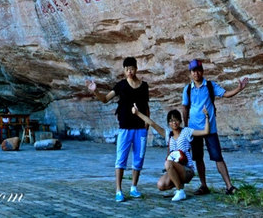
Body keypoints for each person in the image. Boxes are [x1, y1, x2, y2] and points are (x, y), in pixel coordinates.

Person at [181, 58, 248, 195]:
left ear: (202, 71)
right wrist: (186, 127)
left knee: (218, 157)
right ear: (190, 73)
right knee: (198, 158)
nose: (196, 73)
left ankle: (229, 186)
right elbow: (185, 108)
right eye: (194, 71)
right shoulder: (187, 89)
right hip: (194, 130)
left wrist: (239, 88)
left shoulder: (210, 86)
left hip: (210, 128)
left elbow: (225, 94)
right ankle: (203, 185)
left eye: (199, 70)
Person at [87, 57, 150, 201]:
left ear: (136, 68)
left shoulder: (144, 86)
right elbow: (105, 99)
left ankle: (134, 187)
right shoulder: (121, 85)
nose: (129, 71)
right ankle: (118, 190)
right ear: (124, 70)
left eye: (132, 68)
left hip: (140, 128)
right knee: (121, 159)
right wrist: (95, 91)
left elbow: (146, 106)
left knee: (139, 159)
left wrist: (147, 125)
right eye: (126, 69)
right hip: (125, 128)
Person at [131, 104, 209, 202]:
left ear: (180, 121)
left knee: (168, 163)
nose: (174, 123)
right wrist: (138, 113)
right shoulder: (168, 135)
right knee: (160, 185)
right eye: (171, 121)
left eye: (176, 120)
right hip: (174, 168)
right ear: (168, 123)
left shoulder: (186, 131)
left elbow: (205, 131)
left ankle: (180, 191)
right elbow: (152, 123)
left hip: (187, 169)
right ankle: (179, 187)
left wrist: (206, 116)